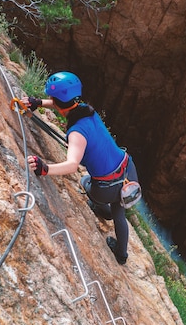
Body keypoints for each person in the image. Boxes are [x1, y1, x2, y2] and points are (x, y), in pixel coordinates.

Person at [24, 71, 139, 265]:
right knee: (120, 212)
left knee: (85, 181)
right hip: (129, 169)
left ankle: (104, 209)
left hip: (106, 189)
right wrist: (39, 103)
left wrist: (45, 169)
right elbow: (61, 103)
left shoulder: (76, 134)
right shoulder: (86, 108)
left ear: (56, 98)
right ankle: (122, 254)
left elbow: (72, 165)